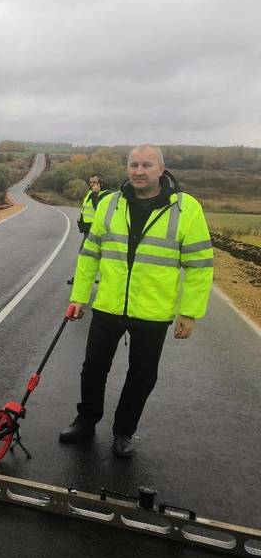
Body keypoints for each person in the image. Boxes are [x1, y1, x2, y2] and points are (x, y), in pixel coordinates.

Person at [59, 145, 213, 457]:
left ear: (161, 169)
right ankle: (86, 421)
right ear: (127, 168)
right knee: (93, 368)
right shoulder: (110, 204)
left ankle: (123, 431)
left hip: (153, 311)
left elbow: (199, 266)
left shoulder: (187, 208)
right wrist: (79, 297)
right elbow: (90, 255)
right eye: (133, 165)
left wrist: (190, 313)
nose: (139, 171)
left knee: (142, 376)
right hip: (108, 305)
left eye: (146, 165)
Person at [67, 175, 111, 285]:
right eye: (90, 182)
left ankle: (78, 277)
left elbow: (98, 208)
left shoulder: (103, 194)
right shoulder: (91, 193)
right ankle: (98, 277)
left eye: (94, 182)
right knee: (96, 254)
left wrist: (95, 193)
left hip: (94, 230)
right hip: (88, 229)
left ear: (99, 183)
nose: (91, 185)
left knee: (84, 254)